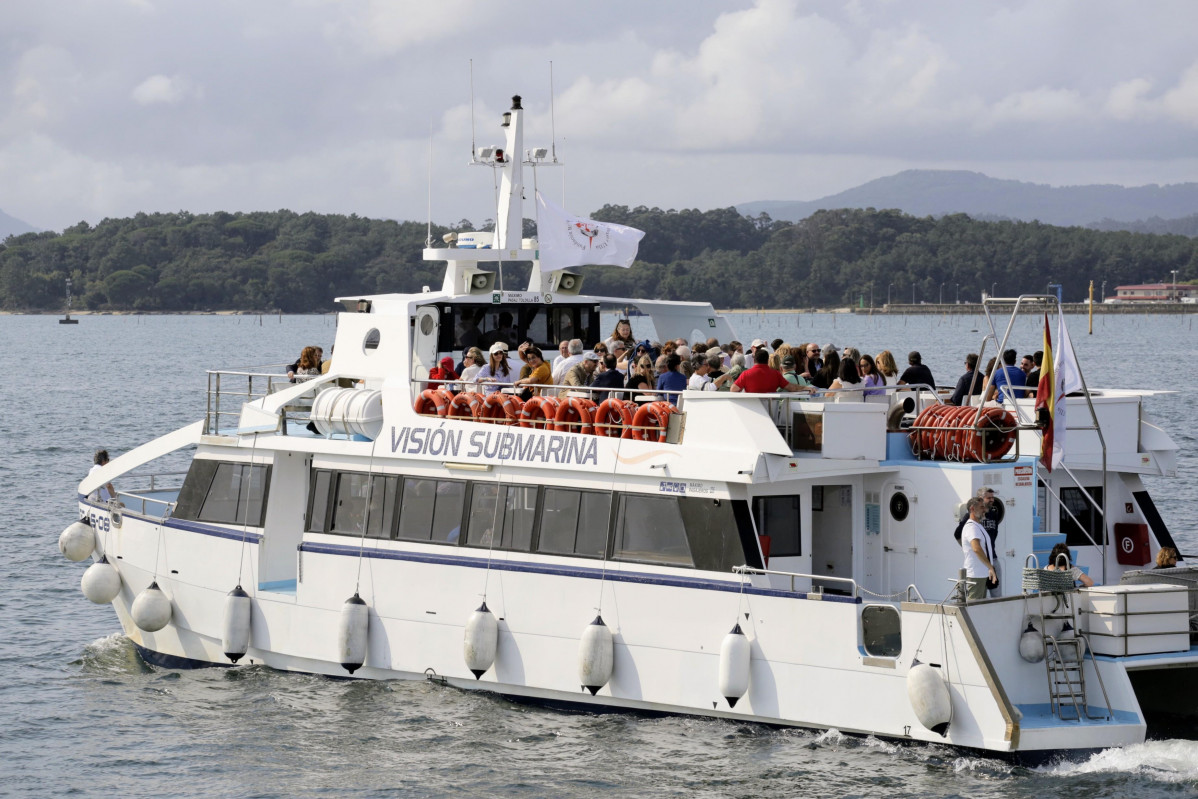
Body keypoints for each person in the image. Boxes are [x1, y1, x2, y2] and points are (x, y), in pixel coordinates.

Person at [960, 497, 997, 600]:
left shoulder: (977, 525)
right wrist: (990, 567)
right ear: (972, 508)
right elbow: (976, 548)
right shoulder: (972, 527)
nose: (984, 510)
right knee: (974, 607)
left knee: (979, 606)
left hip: (980, 574)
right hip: (976, 574)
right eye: (981, 507)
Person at [731, 347, 804, 393]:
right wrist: (805, 387)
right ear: (767, 361)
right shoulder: (776, 374)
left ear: (754, 361)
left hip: (752, 409)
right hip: (770, 409)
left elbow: (733, 389)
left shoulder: (746, 374)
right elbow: (791, 388)